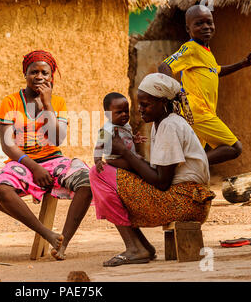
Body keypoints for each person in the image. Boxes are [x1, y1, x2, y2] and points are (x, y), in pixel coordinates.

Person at [0, 50, 92, 261]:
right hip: (22, 163)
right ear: (25, 74)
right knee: (1, 188)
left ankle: (63, 242)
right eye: (33, 72)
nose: (39, 77)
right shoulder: (11, 102)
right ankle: (47, 233)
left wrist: (47, 105)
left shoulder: (58, 103)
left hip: (54, 160)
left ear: (51, 76)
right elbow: (7, 144)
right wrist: (34, 167)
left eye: (44, 73)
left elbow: (57, 139)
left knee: (87, 181)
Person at [89, 73, 215, 267]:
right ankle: (142, 246)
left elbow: (162, 182)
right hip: (185, 197)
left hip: (186, 200)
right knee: (107, 175)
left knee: (98, 174)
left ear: (163, 102)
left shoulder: (170, 126)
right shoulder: (162, 124)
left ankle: (135, 247)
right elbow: (158, 173)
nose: (139, 110)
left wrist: (125, 152)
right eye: (139, 104)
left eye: (145, 105)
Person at [158, 5, 251, 165]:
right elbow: (165, 66)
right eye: (199, 23)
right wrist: (173, 96)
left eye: (209, 22)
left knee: (193, 152)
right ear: (188, 28)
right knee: (234, 147)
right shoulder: (190, 48)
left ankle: (183, 177)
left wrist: (242, 64)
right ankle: (192, 164)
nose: (206, 27)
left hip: (202, 111)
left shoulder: (206, 51)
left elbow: (216, 71)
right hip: (197, 110)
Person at [94, 92, 146, 173]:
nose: (124, 114)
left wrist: (133, 138)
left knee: (141, 160)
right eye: (119, 112)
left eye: (126, 111)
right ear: (107, 114)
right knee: (137, 165)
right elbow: (98, 146)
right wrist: (98, 161)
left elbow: (125, 136)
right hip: (115, 159)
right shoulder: (106, 129)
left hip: (128, 155)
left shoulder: (126, 125)